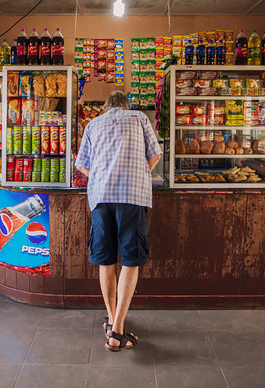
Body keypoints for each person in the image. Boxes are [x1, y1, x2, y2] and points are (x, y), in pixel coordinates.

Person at [75, 90, 162, 352]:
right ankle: (118, 332)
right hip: (133, 197)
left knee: (106, 260)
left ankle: (111, 319)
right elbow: (155, 155)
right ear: (127, 106)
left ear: (106, 107)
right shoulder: (139, 118)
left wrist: (102, 175)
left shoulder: (93, 123)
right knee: (130, 261)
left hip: (101, 198)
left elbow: (81, 165)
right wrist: (138, 175)